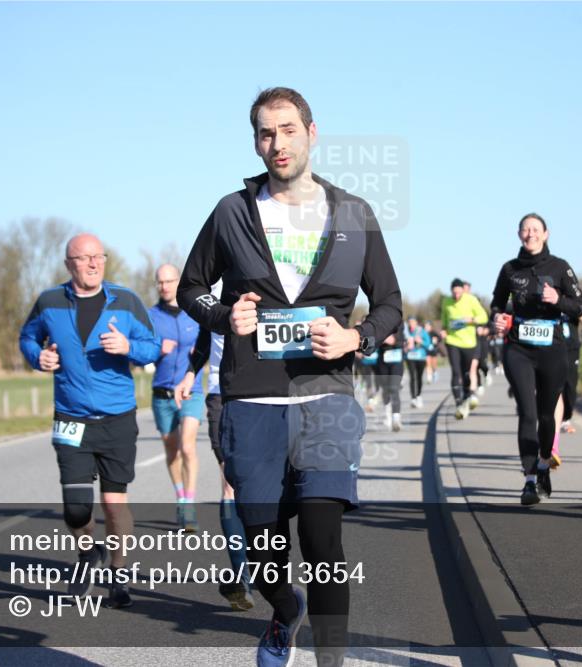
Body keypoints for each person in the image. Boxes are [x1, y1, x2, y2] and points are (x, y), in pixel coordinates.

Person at [176, 86, 402, 667]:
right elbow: (190, 290)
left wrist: (357, 337)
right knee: (265, 551)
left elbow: (390, 304)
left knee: (325, 544)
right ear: (255, 140)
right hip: (251, 399)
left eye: (288, 130)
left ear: (312, 132)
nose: (276, 143)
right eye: (265, 133)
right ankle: (284, 609)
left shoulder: (354, 214)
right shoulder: (231, 211)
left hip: (326, 397)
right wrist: (226, 314)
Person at [19, 233, 162, 608]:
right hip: (70, 417)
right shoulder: (49, 301)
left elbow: (153, 346)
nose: (94, 263)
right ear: (69, 264)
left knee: (114, 503)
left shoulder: (126, 301)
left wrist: (129, 348)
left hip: (117, 418)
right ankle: (87, 552)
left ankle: (118, 571)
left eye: (99, 256)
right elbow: (28, 338)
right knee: (76, 508)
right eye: (85, 258)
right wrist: (39, 358)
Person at [491, 213, 582, 505]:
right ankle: (529, 480)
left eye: (535, 229)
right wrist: (496, 317)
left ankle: (544, 463)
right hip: (518, 349)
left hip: (552, 350)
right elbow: (496, 302)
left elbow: (579, 307)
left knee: (546, 415)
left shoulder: (560, 267)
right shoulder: (510, 269)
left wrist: (558, 300)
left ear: (545, 234)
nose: (530, 234)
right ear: (519, 234)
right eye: (525, 229)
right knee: (527, 413)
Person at [174, 283, 256, 611]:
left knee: (261, 489)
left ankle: (261, 557)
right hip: (221, 397)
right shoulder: (211, 292)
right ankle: (241, 576)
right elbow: (203, 344)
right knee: (229, 486)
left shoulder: (267, 285)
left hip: (263, 397)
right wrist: (188, 375)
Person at [148, 263, 204, 531]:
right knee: (171, 451)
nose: (164, 286)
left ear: (178, 282)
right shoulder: (150, 317)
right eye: (160, 282)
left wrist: (200, 348)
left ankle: (189, 505)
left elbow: (211, 340)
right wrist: (157, 348)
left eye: (169, 281)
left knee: (187, 447)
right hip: (161, 393)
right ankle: (180, 496)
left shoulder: (194, 313)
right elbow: (139, 352)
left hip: (191, 390)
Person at [441, 278, 488, 419]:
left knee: (467, 373)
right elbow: (444, 319)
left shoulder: (471, 300)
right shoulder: (446, 302)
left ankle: (468, 395)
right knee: (456, 372)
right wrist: (443, 330)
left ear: (463, 291)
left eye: (458, 293)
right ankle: (458, 403)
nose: (456, 296)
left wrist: (471, 320)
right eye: (454, 293)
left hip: (469, 343)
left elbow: (483, 317)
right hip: (452, 341)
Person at [377, 320, 406, 430]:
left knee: (394, 388)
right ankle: (387, 414)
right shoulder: (378, 321)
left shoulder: (399, 322)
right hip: (382, 360)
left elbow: (401, 340)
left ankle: (396, 417)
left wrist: (393, 341)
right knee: (385, 389)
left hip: (396, 360)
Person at [404, 315, 428, 409]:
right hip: (410, 357)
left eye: (413, 322)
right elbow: (401, 343)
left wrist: (420, 341)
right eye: (410, 322)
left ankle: (418, 396)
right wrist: (406, 346)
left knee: (419, 377)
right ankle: (413, 398)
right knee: (412, 377)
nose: (411, 324)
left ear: (416, 323)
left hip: (421, 357)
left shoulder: (422, 331)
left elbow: (428, 344)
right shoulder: (406, 332)